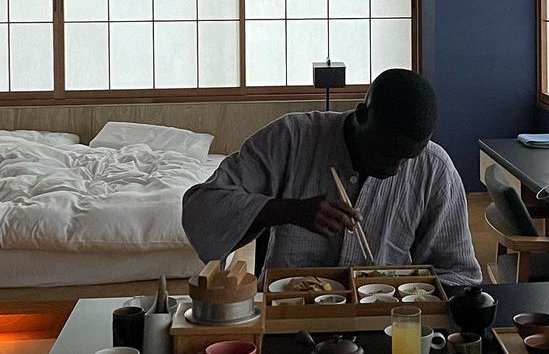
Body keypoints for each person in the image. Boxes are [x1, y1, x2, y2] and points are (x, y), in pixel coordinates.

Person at [180, 69, 482, 287]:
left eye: (407, 159)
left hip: (385, 320)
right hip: (290, 314)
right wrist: (287, 210)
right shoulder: (291, 139)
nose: (395, 170)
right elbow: (200, 208)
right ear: (361, 115)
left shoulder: (435, 168)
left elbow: (460, 274)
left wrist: (413, 292)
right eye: (386, 154)